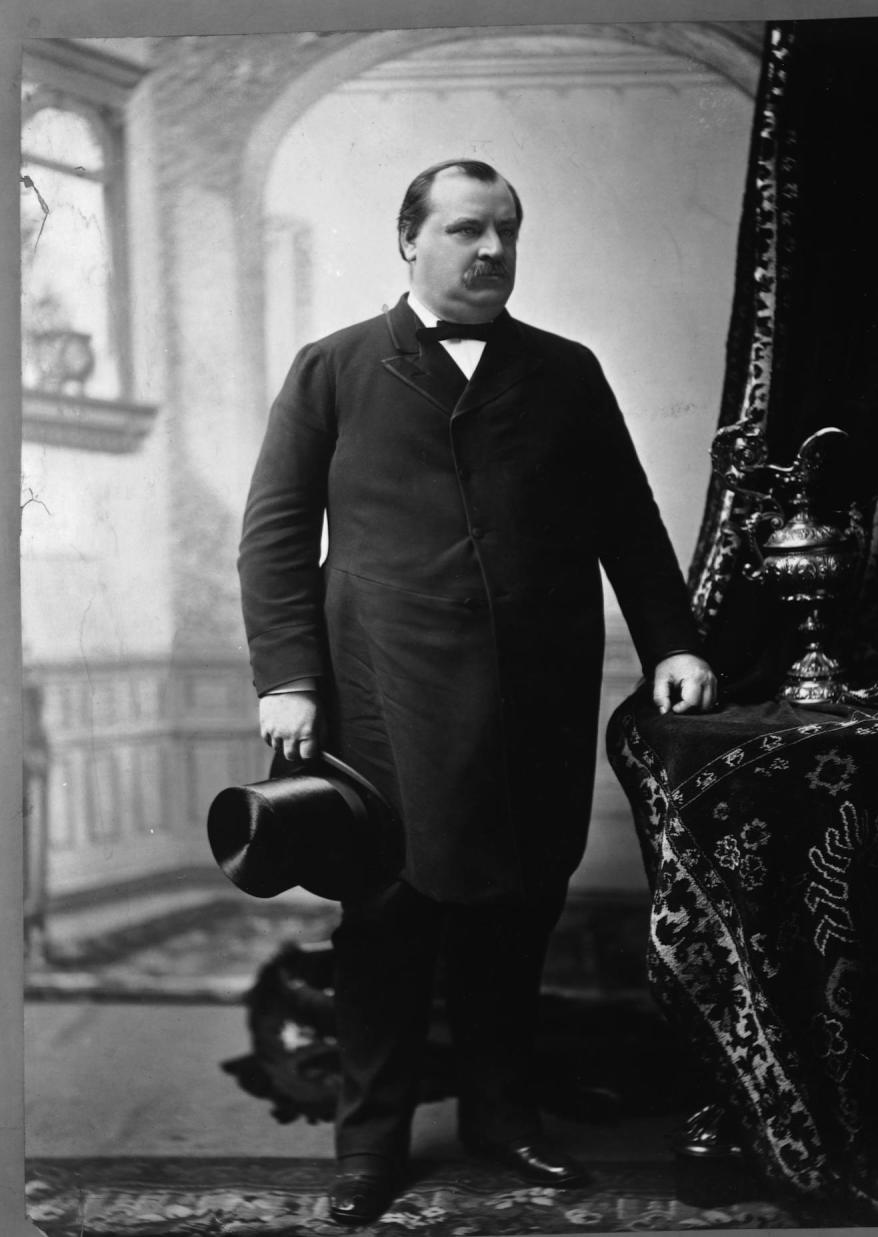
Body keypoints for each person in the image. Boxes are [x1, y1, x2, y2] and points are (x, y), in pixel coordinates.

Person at [238, 158, 716, 1224]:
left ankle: (507, 1118)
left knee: (517, 909)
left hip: (533, 691)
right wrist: (288, 679)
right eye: (465, 230)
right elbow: (272, 535)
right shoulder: (334, 367)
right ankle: (370, 1144)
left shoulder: (566, 371)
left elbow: (628, 523)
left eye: (505, 229)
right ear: (409, 241)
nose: (490, 249)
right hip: (378, 692)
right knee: (388, 917)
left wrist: (674, 644)